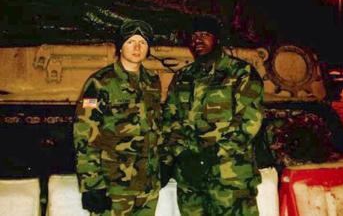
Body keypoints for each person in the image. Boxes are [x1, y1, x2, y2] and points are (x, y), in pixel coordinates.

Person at [161, 15, 264, 216]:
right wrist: (180, 154)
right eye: (194, 35)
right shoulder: (183, 76)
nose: (197, 40)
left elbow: (248, 122)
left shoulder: (240, 73)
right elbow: (170, 120)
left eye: (205, 35)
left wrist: (210, 156)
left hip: (228, 177)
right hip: (190, 177)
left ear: (218, 39)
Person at [73, 19, 162, 216]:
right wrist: (91, 184)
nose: (137, 47)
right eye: (131, 42)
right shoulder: (99, 83)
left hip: (147, 185)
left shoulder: (153, 82)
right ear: (120, 47)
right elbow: (84, 134)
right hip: (114, 186)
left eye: (143, 42)